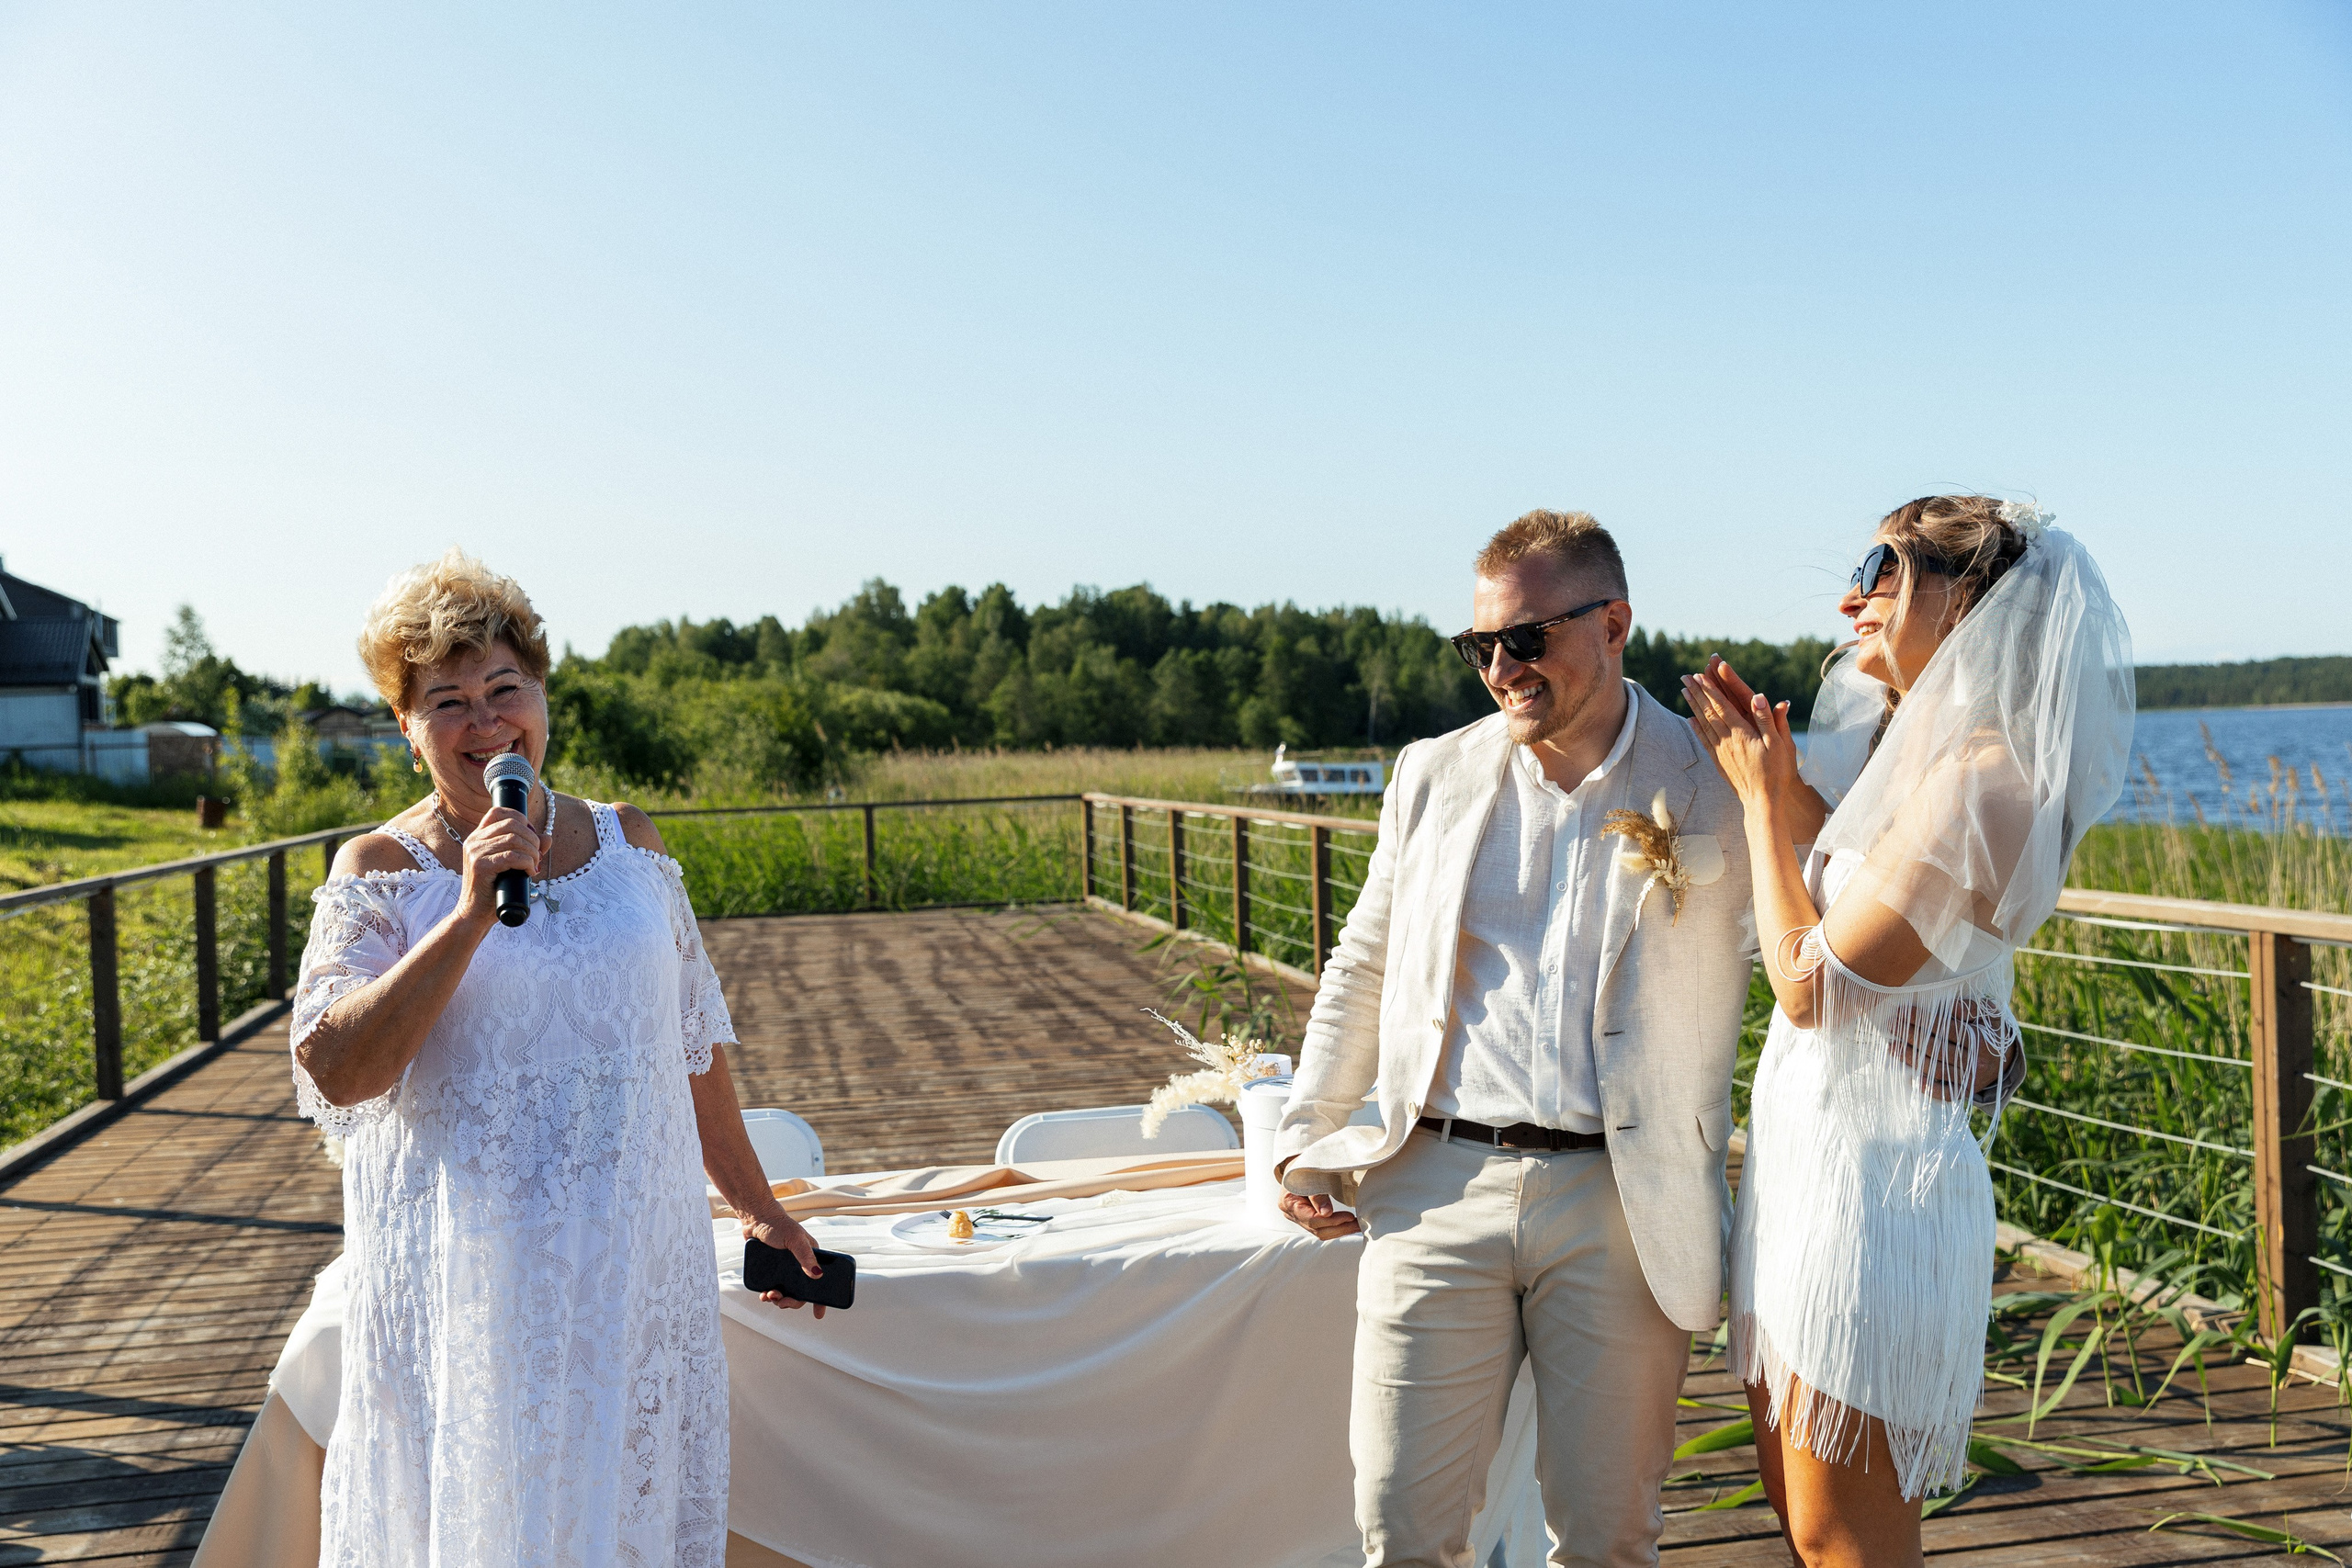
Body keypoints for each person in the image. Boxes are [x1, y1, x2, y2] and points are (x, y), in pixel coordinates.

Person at [288, 548, 827, 1568]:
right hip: (474, 1283)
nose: (485, 722)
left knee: (624, 1519)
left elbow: (694, 1046)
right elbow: (339, 1072)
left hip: (637, 1265)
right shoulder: (380, 871)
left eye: (504, 688)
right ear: (408, 732)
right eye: (446, 700)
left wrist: (757, 1206)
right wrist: (467, 918)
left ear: (542, 700)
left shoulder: (631, 841)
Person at [1272, 510, 1762, 1567]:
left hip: (1624, 1204)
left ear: (1614, 622)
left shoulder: (1715, 780)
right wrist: (1306, 1128)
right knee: (1401, 1530)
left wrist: (1949, 1028)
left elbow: (1817, 942)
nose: (1501, 668)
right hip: (1433, 1181)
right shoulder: (1431, 774)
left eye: (1527, 638)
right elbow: (1364, 959)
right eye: (1479, 645)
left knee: (1605, 1538)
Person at [1683, 497, 2132, 1566]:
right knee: (1801, 1523)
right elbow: (1849, 901)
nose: (1853, 595)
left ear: (1970, 601)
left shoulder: (1987, 780)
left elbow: (1810, 987)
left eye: (1882, 570)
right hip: (1809, 1165)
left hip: (1875, 1193)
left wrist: (1753, 802)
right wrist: (1783, 784)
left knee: (1847, 1540)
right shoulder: (1924, 761)